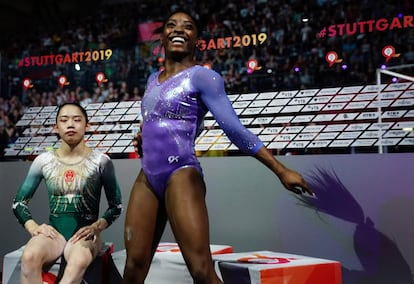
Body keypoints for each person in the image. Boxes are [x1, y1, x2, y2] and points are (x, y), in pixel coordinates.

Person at [123, 9, 314, 284]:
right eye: (171, 25)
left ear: (197, 39)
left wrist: (280, 169)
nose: (179, 29)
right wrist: (144, 134)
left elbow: (234, 129)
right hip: (147, 177)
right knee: (133, 269)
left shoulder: (204, 77)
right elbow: (157, 118)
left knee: (201, 270)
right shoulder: (152, 79)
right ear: (162, 36)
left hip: (181, 175)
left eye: (187, 26)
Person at [12, 102, 123, 284]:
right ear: (56, 127)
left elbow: (116, 206)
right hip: (54, 235)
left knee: (77, 262)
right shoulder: (44, 161)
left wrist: (96, 227)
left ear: (87, 126)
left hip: (85, 235)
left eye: (77, 120)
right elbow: (18, 203)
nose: (70, 124)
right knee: (29, 256)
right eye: (64, 120)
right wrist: (33, 227)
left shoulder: (101, 162)